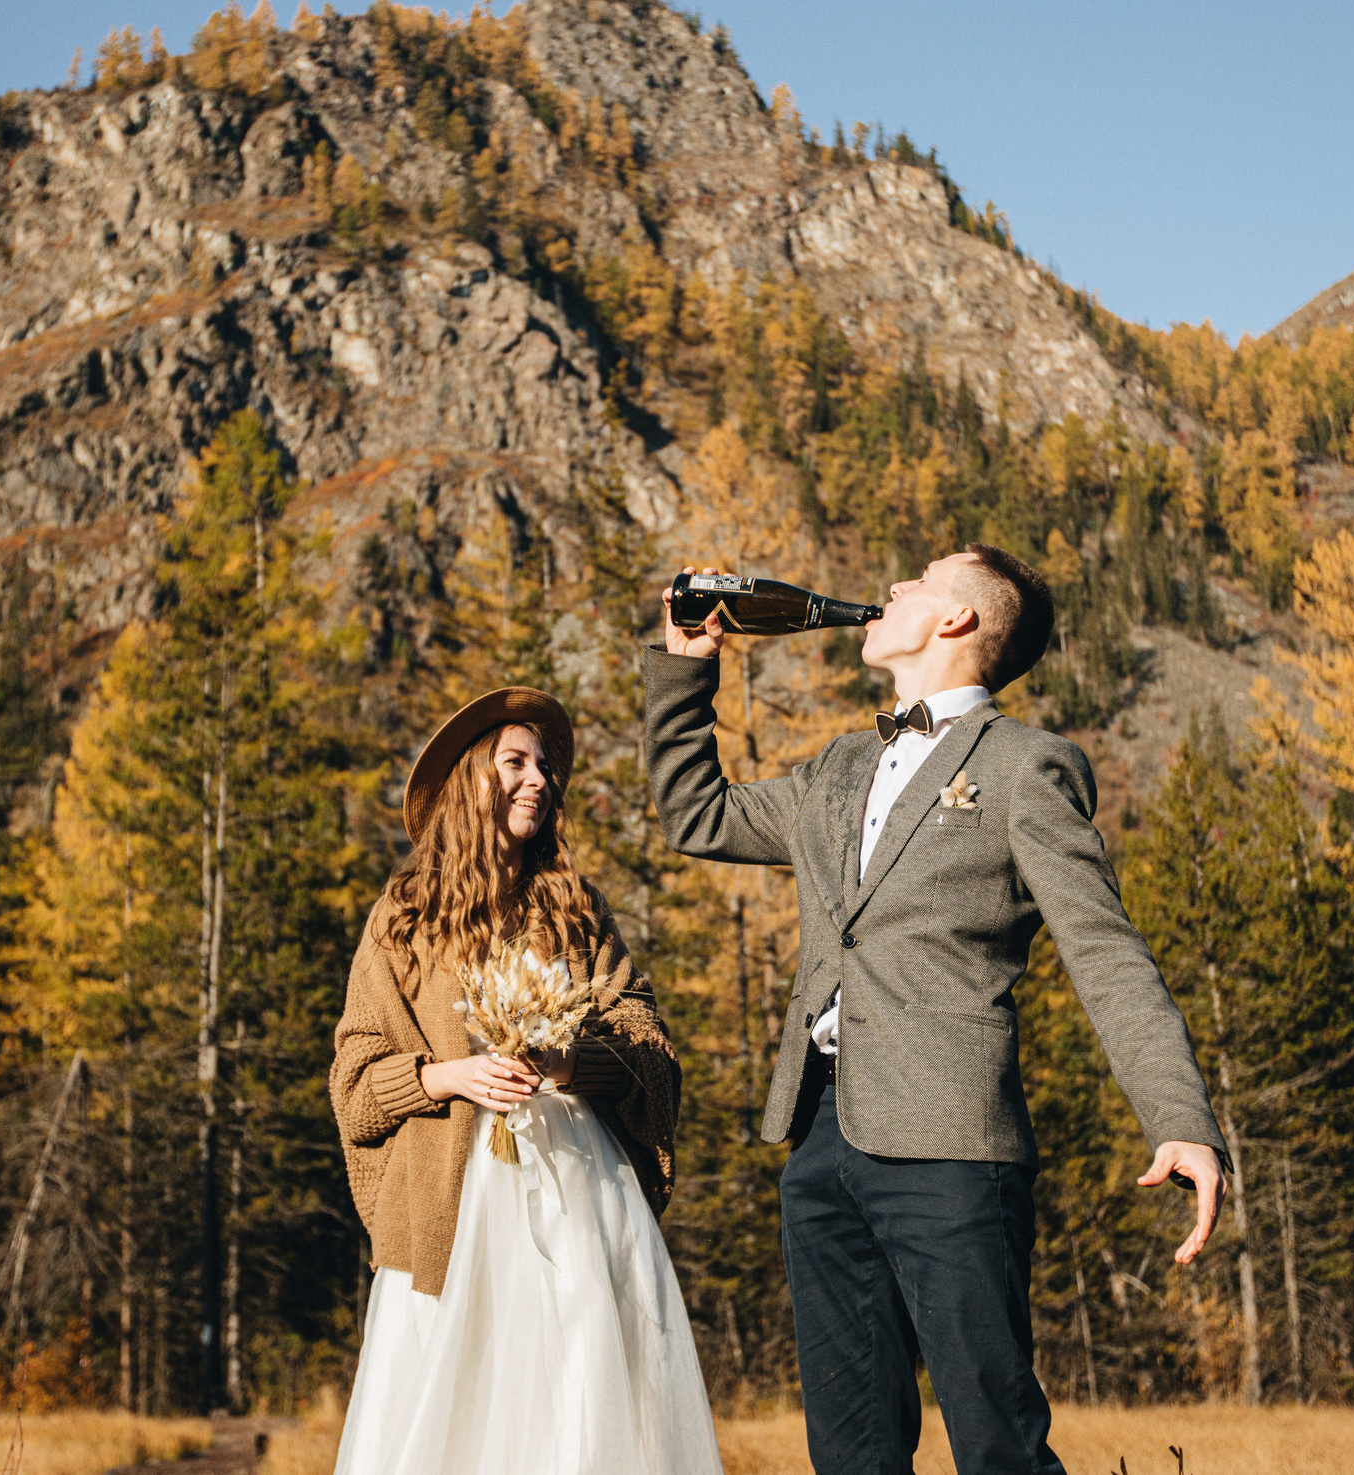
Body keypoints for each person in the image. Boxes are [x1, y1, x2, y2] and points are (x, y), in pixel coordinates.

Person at [644, 548, 1228, 1475]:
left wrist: (1180, 1119)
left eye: (918, 579)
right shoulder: (837, 767)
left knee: (996, 1443)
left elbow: (1107, 951)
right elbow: (696, 815)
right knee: (853, 1452)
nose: (893, 587)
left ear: (956, 620)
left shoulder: (1027, 767)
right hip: (821, 1140)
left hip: (954, 1150)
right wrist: (685, 666)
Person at [330, 686, 721, 1475]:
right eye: (516, 761)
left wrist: (573, 1063)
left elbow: (652, 1047)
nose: (540, 778)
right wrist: (448, 1075)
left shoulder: (575, 909)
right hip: (447, 1215)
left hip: (581, 1202)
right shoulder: (401, 917)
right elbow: (355, 1084)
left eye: (545, 766)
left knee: (577, 1412)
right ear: (470, 778)